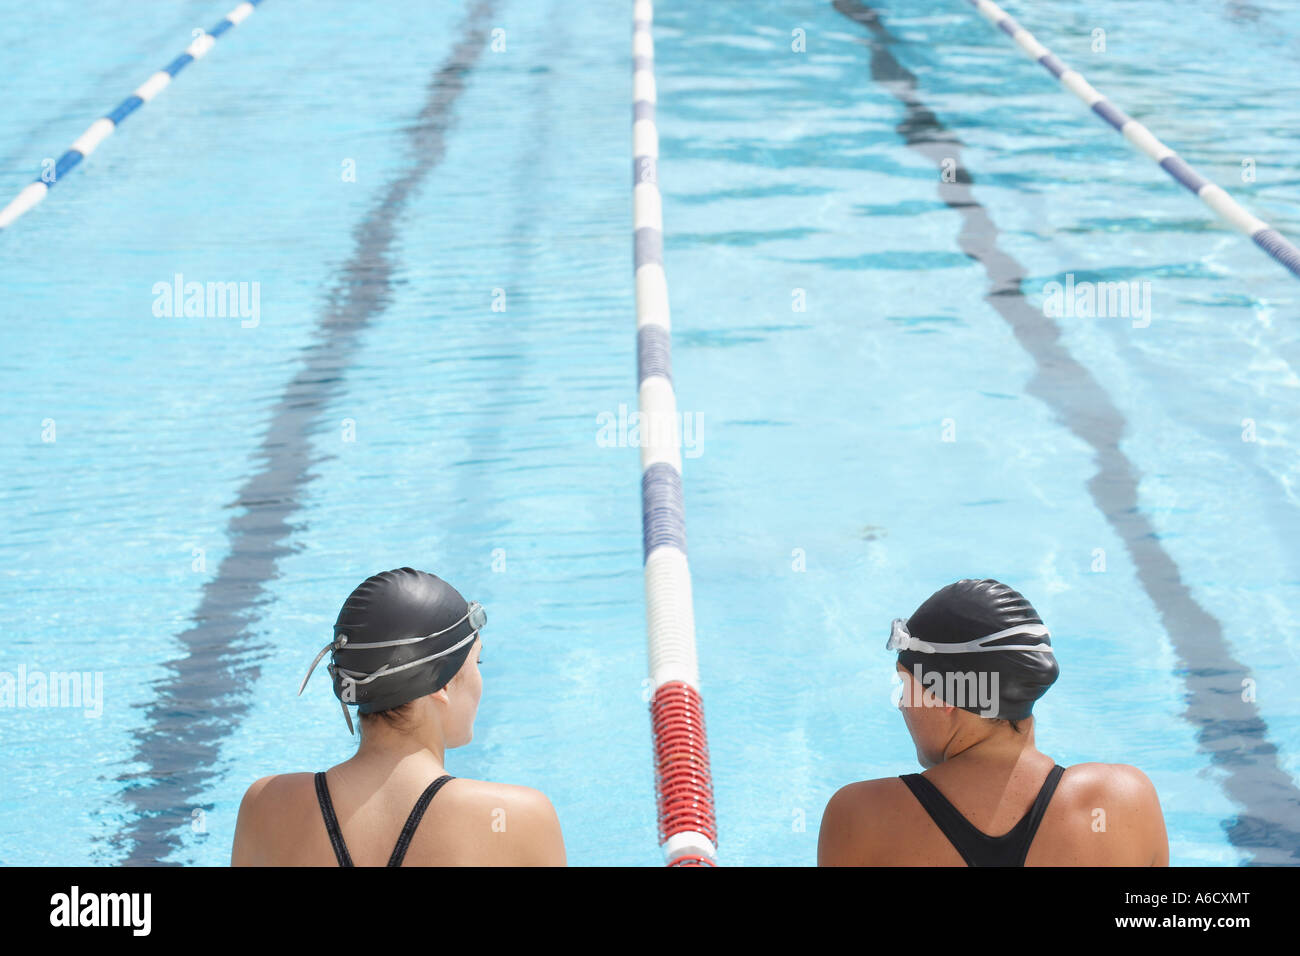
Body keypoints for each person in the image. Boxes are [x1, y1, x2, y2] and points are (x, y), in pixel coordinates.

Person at [818, 578, 1167, 866]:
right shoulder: (1124, 801)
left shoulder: (864, 817)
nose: (901, 706)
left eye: (905, 686)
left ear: (940, 696)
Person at [232, 567, 565, 866]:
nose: (480, 682)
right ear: (443, 684)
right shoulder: (520, 817)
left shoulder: (266, 805)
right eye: (476, 663)